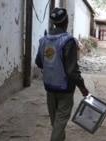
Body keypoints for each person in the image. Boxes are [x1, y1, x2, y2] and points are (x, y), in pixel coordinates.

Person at [35, 7, 89, 141]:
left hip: (49, 86)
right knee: (60, 121)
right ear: (67, 22)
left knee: (56, 121)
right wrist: (82, 87)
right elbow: (72, 71)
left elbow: (39, 62)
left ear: (54, 23)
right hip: (65, 88)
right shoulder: (68, 40)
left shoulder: (44, 40)